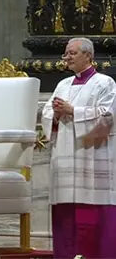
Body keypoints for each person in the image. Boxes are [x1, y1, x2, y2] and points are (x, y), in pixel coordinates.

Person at [41, 37, 116, 259]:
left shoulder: (105, 83)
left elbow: (108, 117)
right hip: (65, 159)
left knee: (92, 219)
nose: (67, 57)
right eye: (66, 53)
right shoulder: (62, 85)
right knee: (66, 219)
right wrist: (54, 114)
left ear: (88, 56)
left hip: (92, 158)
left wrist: (73, 111)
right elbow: (47, 115)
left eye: (72, 53)